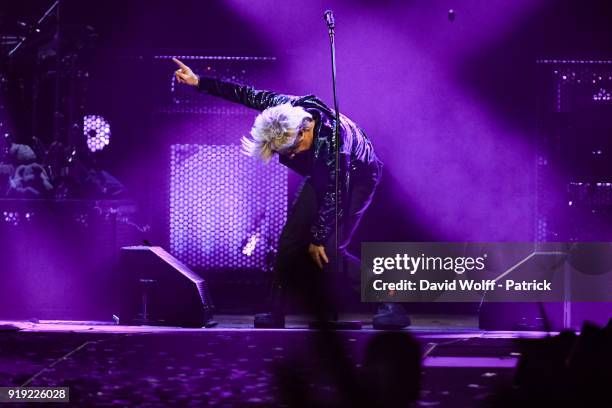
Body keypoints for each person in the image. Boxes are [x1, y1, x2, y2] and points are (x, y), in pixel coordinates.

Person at [173, 58, 410, 329]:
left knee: (328, 250)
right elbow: (244, 94)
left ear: (304, 130)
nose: (292, 157)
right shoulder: (282, 109)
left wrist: (318, 238)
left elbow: (336, 192)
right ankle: (276, 311)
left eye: (292, 151)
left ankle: (392, 303)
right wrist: (199, 82)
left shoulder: (335, 140)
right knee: (290, 240)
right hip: (324, 174)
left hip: (356, 177)